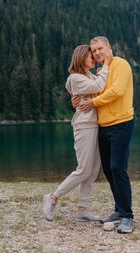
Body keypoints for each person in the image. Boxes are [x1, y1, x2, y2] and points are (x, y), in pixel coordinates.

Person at [42, 44, 112, 222]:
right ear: (81, 58)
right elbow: (96, 85)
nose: (93, 58)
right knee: (83, 170)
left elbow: (95, 88)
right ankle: (52, 198)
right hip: (84, 125)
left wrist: (78, 96)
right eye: (90, 55)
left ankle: (82, 209)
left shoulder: (87, 76)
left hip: (95, 125)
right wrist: (106, 65)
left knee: (93, 171)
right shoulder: (76, 77)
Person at [78, 36, 134, 234]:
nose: (97, 53)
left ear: (109, 48)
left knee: (118, 168)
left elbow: (117, 91)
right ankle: (119, 211)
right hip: (104, 126)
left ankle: (127, 216)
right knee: (109, 170)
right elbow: (94, 91)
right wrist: (80, 98)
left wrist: (93, 102)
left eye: (100, 48)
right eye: (94, 51)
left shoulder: (121, 64)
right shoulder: (102, 71)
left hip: (121, 123)